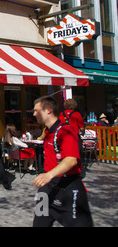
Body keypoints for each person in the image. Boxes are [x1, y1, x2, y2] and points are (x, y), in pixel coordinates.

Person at [32, 96, 93, 227]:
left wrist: (49, 174)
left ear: (48, 110)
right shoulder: (48, 132)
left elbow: (71, 160)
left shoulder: (65, 130)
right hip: (47, 188)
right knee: (39, 223)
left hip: (68, 187)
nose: (34, 114)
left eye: (36, 110)